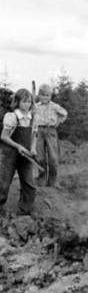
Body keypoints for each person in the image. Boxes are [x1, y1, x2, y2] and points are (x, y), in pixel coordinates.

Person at [0, 88, 38, 216]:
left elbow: (34, 136)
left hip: (25, 153)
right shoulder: (12, 117)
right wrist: (18, 147)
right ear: (17, 102)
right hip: (9, 153)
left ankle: (25, 211)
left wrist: (32, 148)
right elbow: (4, 137)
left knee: (29, 183)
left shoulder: (33, 118)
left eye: (29, 102)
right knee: (4, 183)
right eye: (24, 102)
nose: (27, 104)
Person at [35, 84, 67, 187]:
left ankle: (52, 181)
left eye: (48, 95)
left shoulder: (54, 106)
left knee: (53, 158)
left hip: (50, 131)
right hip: (38, 131)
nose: (45, 97)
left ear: (50, 96)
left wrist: (58, 122)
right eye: (43, 95)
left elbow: (64, 113)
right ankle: (42, 179)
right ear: (39, 95)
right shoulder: (35, 106)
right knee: (40, 157)